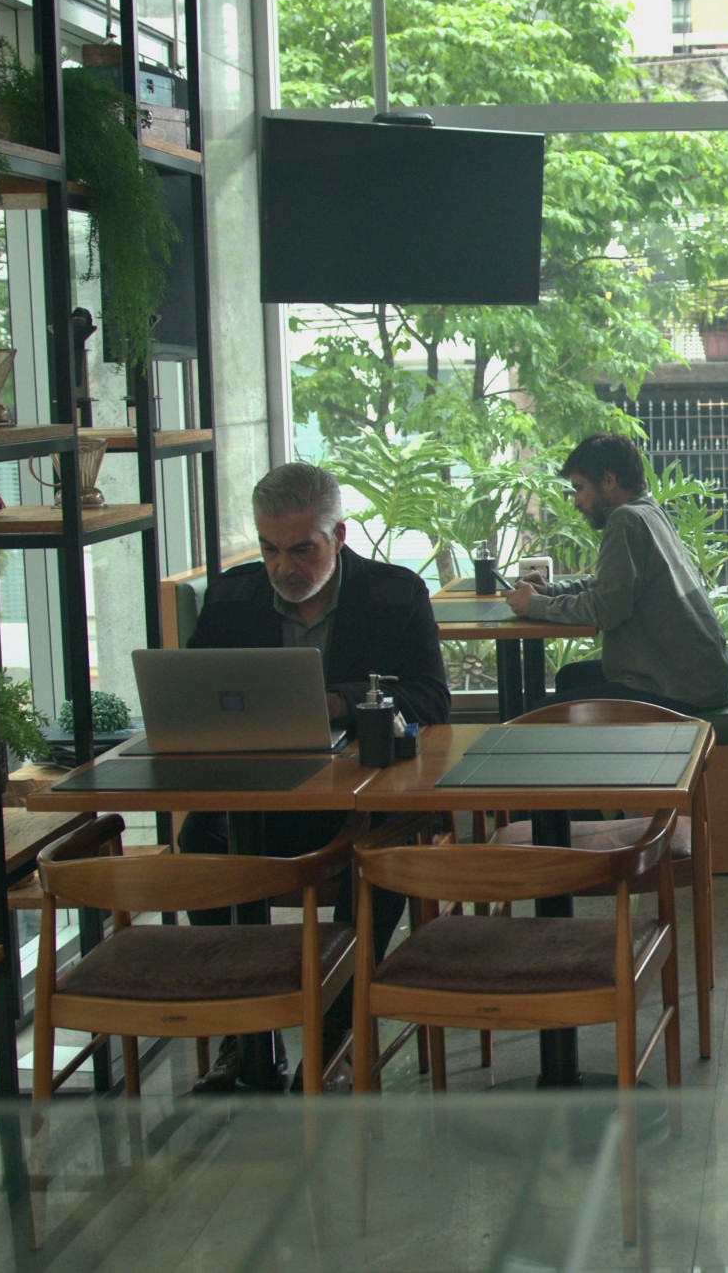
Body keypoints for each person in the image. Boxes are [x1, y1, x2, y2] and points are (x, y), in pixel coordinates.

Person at [180, 461, 451, 1090]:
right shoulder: (232, 597)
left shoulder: (394, 593)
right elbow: (194, 693)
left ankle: (334, 1033)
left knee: (377, 859)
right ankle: (249, 1036)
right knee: (201, 841)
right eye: (270, 549)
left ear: (340, 537)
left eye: (302, 549)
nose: (284, 568)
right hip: (264, 801)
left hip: (365, 799)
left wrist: (341, 702)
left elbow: (432, 699)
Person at [507, 433, 728, 715]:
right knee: (568, 678)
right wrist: (552, 590)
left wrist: (534, 605)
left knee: (539, 716)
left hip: (679, 688)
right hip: (696, 676)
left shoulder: (626, 520)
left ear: (609, 481)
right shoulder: (647, 511)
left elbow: (605, 609)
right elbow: (614, 586)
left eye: (579, 488)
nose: (576, 502)